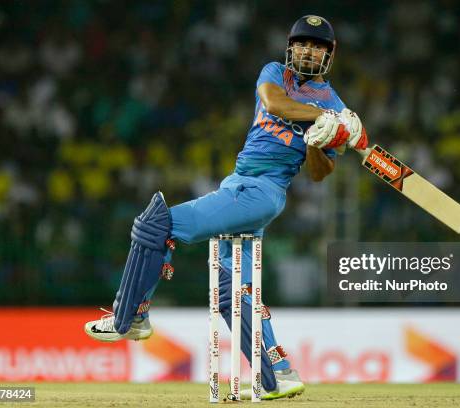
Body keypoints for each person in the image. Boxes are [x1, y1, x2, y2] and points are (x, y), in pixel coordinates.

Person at [84, 14, 368, 400]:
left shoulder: (334, 103)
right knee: (229, 288)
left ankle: (130, 316)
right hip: (238, 184)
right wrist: (325, 119)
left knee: (155, 223)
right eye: (302, 42)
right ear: (290, 47)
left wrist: (320, 141)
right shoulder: (276, 75)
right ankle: (278, 374)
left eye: (316, 45)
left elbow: (320, 174)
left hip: (261, 192)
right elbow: (272, 102)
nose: (307, 49)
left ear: (329, 53)